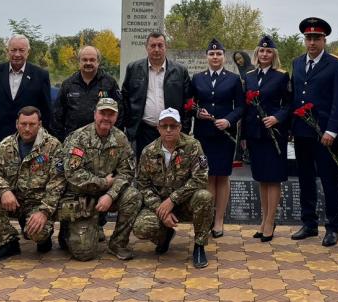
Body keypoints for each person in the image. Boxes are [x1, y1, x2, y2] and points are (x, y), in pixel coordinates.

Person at [289, 17, 338, 247]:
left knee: (329, 180)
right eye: (308, 38)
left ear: (324, 39)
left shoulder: (336, 65)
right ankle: (309, 223)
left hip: (325, 134)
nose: (312, 42)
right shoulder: (296, 62)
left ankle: (333, 227)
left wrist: (332, 131)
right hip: (302, 132)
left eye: (316, 38)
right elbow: (295, 96)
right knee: (305, 179)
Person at [58, 98, 141, 261]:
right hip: (81, 196)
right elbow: (73, 173)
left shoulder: (120, 139)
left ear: (116, 117)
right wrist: (103, 182)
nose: (106, 118)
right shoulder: (78, 138)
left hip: (107, 195)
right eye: (103, 113)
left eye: (111, 114)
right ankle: (69, 229)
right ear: (95, 114)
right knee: (84, 253)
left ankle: (117, 243)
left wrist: (110, 195)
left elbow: (127, 172)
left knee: (133, 196)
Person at [0, 106, 65, 262]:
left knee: (36, 234)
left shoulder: (53, 146)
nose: (27, 128)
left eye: (32, 124)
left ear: (39, 124)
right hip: (13, 201)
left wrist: (44, 212)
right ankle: (9, 243)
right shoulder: (4, 146)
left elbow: (58, 183)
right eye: (23, 124)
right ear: (16, 124)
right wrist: (4, 191)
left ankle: (43, 238)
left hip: (38, 203)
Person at [133, 108, 214, 268]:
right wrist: (161, 209)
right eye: (164, 126)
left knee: (205, 197)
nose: (168, 130)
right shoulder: (148, 152)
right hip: (160, 204)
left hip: (185, 203)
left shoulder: (193, 146)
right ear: (158, 128)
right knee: (141, 228)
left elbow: (201, 177)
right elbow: (143, 185)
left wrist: (173, 200)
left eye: (173, 126)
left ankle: (199, 246)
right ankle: (164, 236)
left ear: (179, 127)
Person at [189, 38, 244, 237]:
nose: (215, 57)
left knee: (222, 176)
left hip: (225, 135)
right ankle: (208, 217)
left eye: (218, 54)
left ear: (223, 56)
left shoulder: (233, 79)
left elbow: (240, 106)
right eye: (211, 54)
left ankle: (219, 220)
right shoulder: (197, 78)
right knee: (207, 176)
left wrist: (228, 120)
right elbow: (191, 104)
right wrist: (197, 113)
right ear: (206, 56)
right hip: (204, 134)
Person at [242, 35, 292, 241]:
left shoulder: (281, 76)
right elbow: (245, 107)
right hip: (255, 133)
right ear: (257, 53)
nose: (264, 54)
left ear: (274, 55)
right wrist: (244, 135)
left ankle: (271, 221)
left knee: (273, 178)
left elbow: (290, 104)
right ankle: (263, 220)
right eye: (261, 51)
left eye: (268, 51)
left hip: (273, 134)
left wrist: (277, 118)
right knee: (261, 178)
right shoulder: (250, 75)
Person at [121, 32, 191, 157]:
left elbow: (188, 102)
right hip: (144, 131)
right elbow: (125, 98)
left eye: (160, 45)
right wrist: (130, 125)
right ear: (146, 47)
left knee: (173, 169)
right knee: (146, 171)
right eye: (153, 46)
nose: (156, 49)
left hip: (172, 130)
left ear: (166, 47)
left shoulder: (180, 71)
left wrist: (183, 130)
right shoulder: (133, 68)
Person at [0, 35, 54, 147]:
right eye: (13, 50)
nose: (17, 54)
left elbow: (46, 109)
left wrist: (45, 136)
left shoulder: (40, 75)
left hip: (30, 137)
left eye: (21, 50)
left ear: (28, 52)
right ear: (7, 51)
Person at [52, 45, 122, 142]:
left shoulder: (109, 83)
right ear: (79, 62)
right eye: (84, 60)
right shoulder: (68, 84)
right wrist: (62, 140)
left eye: (92, 60)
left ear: (98, 62)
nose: (88, 63)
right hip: (73, 142)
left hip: (102, 142)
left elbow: (120, 112)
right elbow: (57, 116)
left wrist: (111, 138)